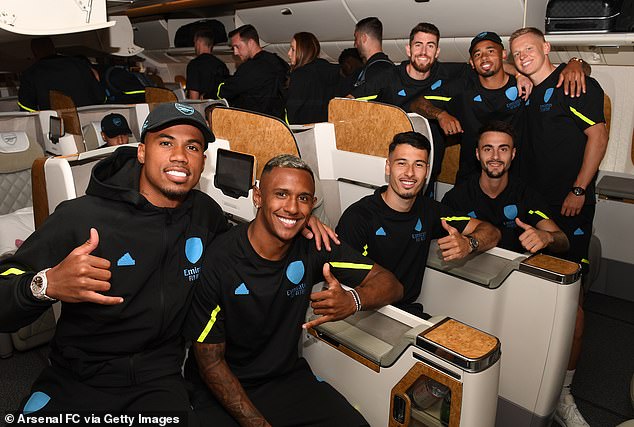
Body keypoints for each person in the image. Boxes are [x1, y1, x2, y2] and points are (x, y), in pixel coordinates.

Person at [0, 103, 225, 422]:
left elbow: (240, 253)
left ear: (202, 160)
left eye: (192, 146)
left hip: (158, 380)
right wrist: (47, 284)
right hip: (78, 379)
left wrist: (292, 226)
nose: (179, 155)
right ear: (142, 152)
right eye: (165, 142)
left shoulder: (205, 214)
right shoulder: (80, 217)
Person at [184, 154, 403, 426]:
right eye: (281, 194)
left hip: (284, 378)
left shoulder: (315, 245)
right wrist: (258, 424)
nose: (292, 207)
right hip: (221, 385)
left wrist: (353, 300)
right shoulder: (220, 259)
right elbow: (210, 362)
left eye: (303, 198)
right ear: (258, 197)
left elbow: (391, 283)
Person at [510, 27, 609, 427]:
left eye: (530, 50)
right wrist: (517, 69)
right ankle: (532, 375)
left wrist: (579, 189)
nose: (523, 57)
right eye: (516, 53)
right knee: (532, 290)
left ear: (547, 47)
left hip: (571, 206)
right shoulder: (527, 93)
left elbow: (597, 136)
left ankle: (564, 393)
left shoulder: (576, 83)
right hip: (533, 208)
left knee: (573, 303)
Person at [336, 131, 500, 318]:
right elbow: (342, 285)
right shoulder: (358, 218)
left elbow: (491, 231)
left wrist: (469, 244)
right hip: (363, 314)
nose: (410, 173)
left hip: (406, 311)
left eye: (419, 165)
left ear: (427, 171)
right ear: (388, 167)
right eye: (401, 163)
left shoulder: (430, 211)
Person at [407, 29, 588, 183]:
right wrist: (441, 115)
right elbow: (417, 103)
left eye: (491, 51)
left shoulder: (524, 84)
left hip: (516, 180)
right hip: (472, 179)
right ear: (471, 63)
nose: (484, 57)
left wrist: (576, 63)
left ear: (503, 55)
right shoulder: (462, 88)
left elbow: (565, 74)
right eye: (477, 54)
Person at [442, 121, 569, 254]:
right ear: (478, 154)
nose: (495, 156)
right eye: (488, 149)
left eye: (503, 149)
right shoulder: (456, 198)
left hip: (513, 270)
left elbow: (563, 241)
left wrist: (547, 237)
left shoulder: (526, 196)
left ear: (513, 154)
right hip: (470, 270)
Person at [217, 24, 289, 118]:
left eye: (237, 47)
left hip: (255, 125)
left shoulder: (249, 68)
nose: (235, 52)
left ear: (250, 43)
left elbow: (223, 92)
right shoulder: (280, 62)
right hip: (279, 124)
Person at [17, 37, 105, 111]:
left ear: (34, 52)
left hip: (58, 125)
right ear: (53, 47)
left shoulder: (31, 73)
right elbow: (100, 97)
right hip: (89, 120)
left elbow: (26, 107)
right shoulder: (80, 64)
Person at [286, 32, 340, 124]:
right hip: (328, 130)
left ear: (303, 51)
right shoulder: (332, 71)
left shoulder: (299, 75)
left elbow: (293, 110)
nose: (288, 53)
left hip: (305, 131)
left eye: (293, 49)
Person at [349, 17, 395, 99]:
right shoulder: (378, 67)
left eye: (356, 39)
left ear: (364, 38)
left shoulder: (380, 69)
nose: (355, 44)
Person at [186, 29, 229, 100]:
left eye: (195, 43)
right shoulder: (221, 65)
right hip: (218, 109)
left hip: (202, 109)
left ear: (198, 42)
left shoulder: (194, 65)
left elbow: (193, 98)